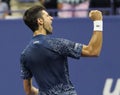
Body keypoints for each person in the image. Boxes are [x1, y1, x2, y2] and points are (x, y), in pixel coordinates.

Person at [20, 5, 103, 95]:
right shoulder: (57, 44)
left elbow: (28, 91)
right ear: (40, 21)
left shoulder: (25, 54)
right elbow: (93, 51)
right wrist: (98, 21)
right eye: (47, 16)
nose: (51, 18)